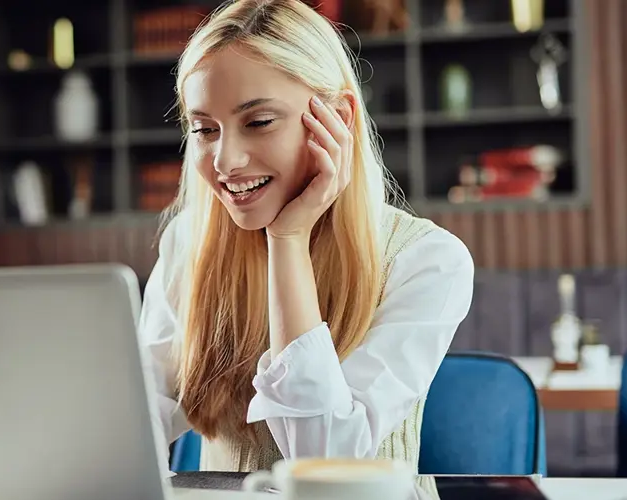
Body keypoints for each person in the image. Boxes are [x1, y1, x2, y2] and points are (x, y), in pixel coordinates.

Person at [137, 0, 474, 480]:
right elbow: (140, 415)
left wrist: (288, 240)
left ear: (337, 117)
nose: (225, 161)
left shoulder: (427, 262)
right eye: (205, 129)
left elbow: (325, 462)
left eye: (258, 122)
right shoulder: (189, 242)